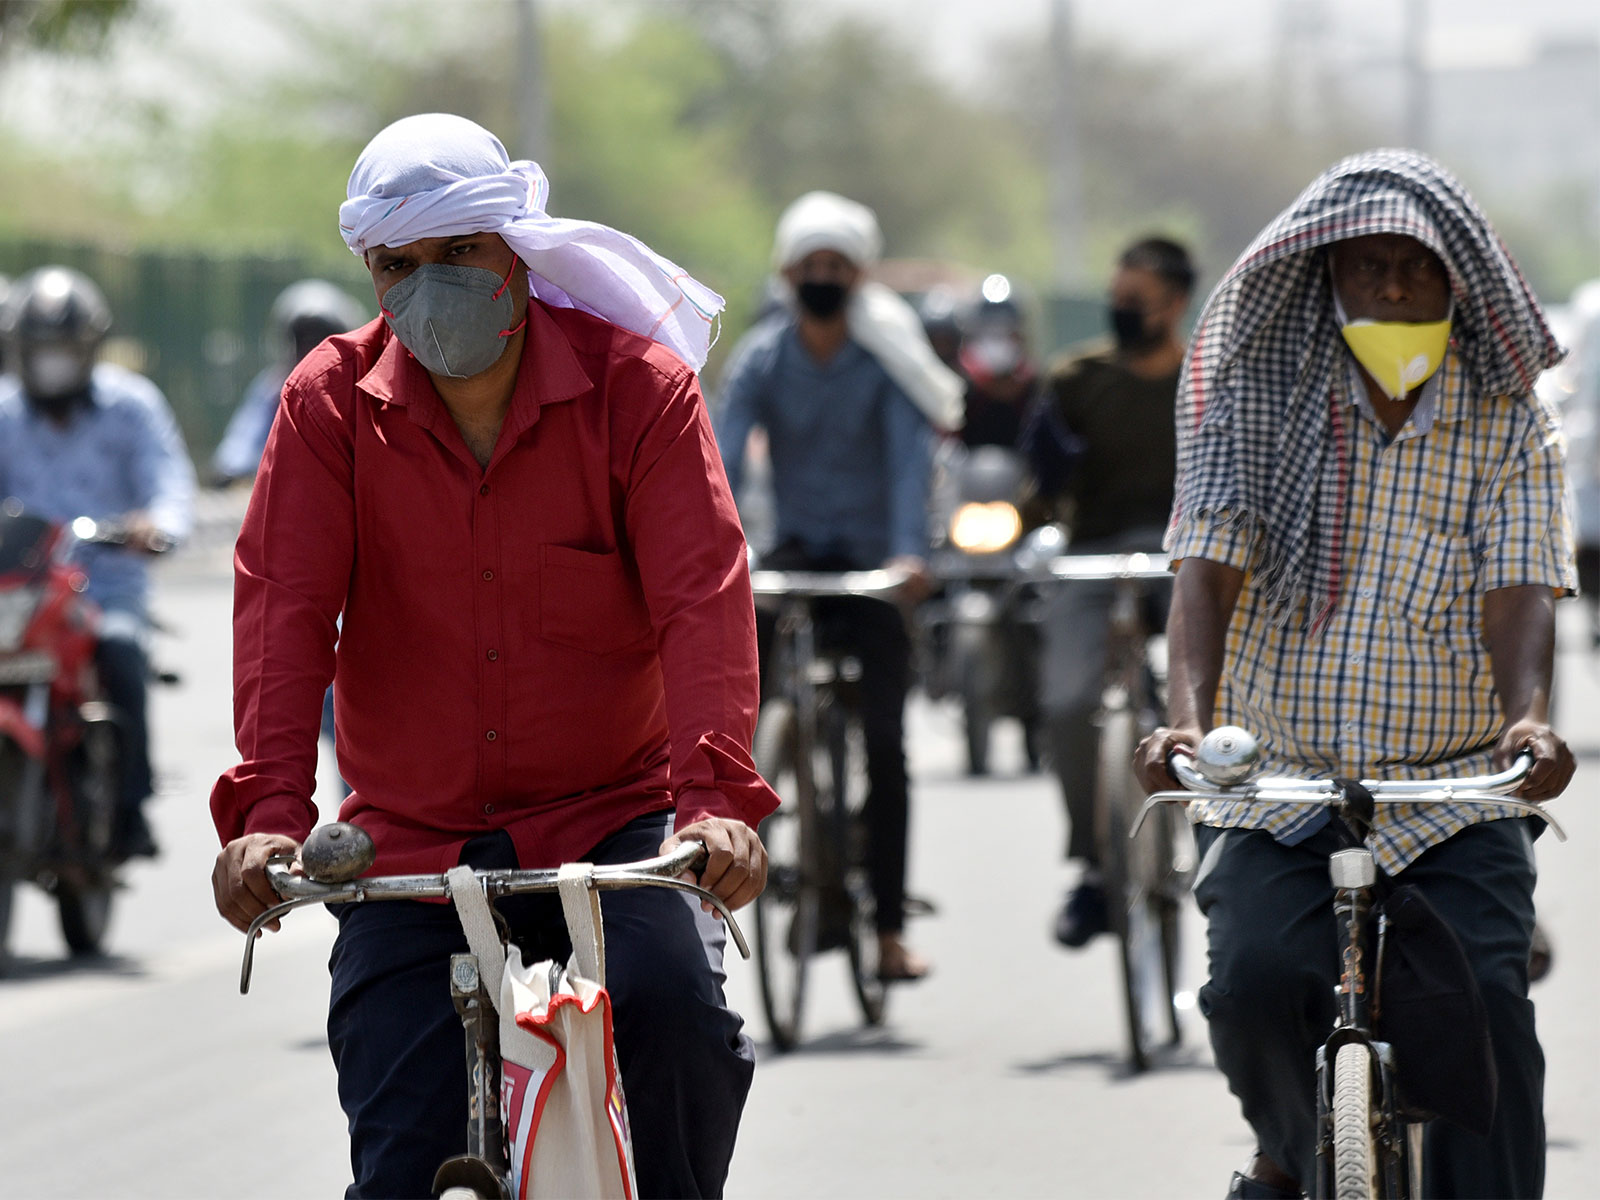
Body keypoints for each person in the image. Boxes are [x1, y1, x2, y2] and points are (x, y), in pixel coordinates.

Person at [208, 113, 777, 1200]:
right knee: (395, 1142)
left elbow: (701, 602)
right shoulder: (327, 406)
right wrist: (270, 813)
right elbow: (283, 615)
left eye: (458, 254)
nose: (430, 286)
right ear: (371, 275)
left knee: (679, 1034)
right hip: (410, 842)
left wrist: (715, 803)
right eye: (397, 265)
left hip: (618, 820)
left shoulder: (639, 392)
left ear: (517, 251)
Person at [1133, 150, 1575, 1199]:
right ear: (1323, 277)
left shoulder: (1509, 419)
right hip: (1278, 785)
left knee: (1489, 1015)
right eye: (1365, 265)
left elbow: (1519, 586)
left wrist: (1526, 723)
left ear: (1452, 282)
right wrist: (1185, 721)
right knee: (1250, 986)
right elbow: (1204, 566)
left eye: (1411, 268)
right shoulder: (1261, 397)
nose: (1387, 286)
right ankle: (1293, 1152)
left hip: (1449, 793)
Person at [713, 190, 963, 983]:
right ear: (788, 274)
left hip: (875, 571)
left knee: (886, 749)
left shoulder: (883, 359)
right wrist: (710, 551)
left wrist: (907, 559)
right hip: (792, 557)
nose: (822, 278)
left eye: (837, 267)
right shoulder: (761, 355)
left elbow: (905, 466)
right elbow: (714, 456)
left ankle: (887, 930)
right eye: (809, 266)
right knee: (733, 730)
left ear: (858, 277)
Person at [1018, 236, 1194, 947]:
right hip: (1092, 557)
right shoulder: (1076, 381)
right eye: (1116, 300)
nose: (1123, 313)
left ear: (1177, 305)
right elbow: (1042, 486)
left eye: (1139, 303)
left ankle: (1233, 841)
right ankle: (1094, 866)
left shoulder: (1211, 380)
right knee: (1065, 702)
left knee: (1216, 694)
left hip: (1187, 560)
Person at [0, 265, 196, 860]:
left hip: (106, 590)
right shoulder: (4, 414)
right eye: (41, 352)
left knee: (122, 655)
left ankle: (131, 808)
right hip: (21, 594)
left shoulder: (132, 407)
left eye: (63, 351)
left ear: (88, 349)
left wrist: (155, 527)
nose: (52, 364)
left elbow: (170, 486)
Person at [208, 279, 367, 487]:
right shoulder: (274, 389)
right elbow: (239, 450)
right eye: (304, 340)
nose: (313, 351)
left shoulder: (364, 392)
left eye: (322, 340)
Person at [957, 274, 1039, 449]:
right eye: (989, 332)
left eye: (1004, 331)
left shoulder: (1035, 388)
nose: (996, 341)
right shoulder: (959, 385)